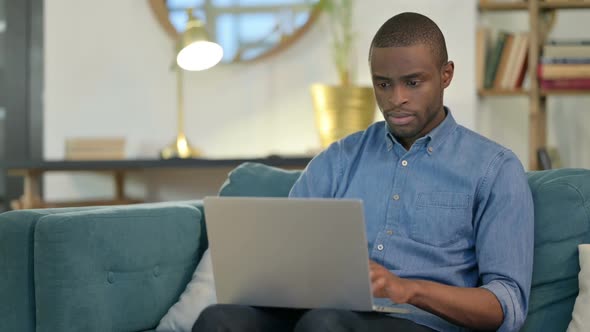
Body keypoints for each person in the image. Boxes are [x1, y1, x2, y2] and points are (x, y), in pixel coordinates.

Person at [193, 12, 534, 332]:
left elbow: (507, 305)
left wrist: (409, 289)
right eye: (383, 84)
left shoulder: (494, 169)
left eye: (412, 83)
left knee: (326, 324)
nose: (395, 98)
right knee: (219, 318)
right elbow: (287, 258)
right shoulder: (340, 158)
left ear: (446, 75)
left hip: (419, 322)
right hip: (323, 314)